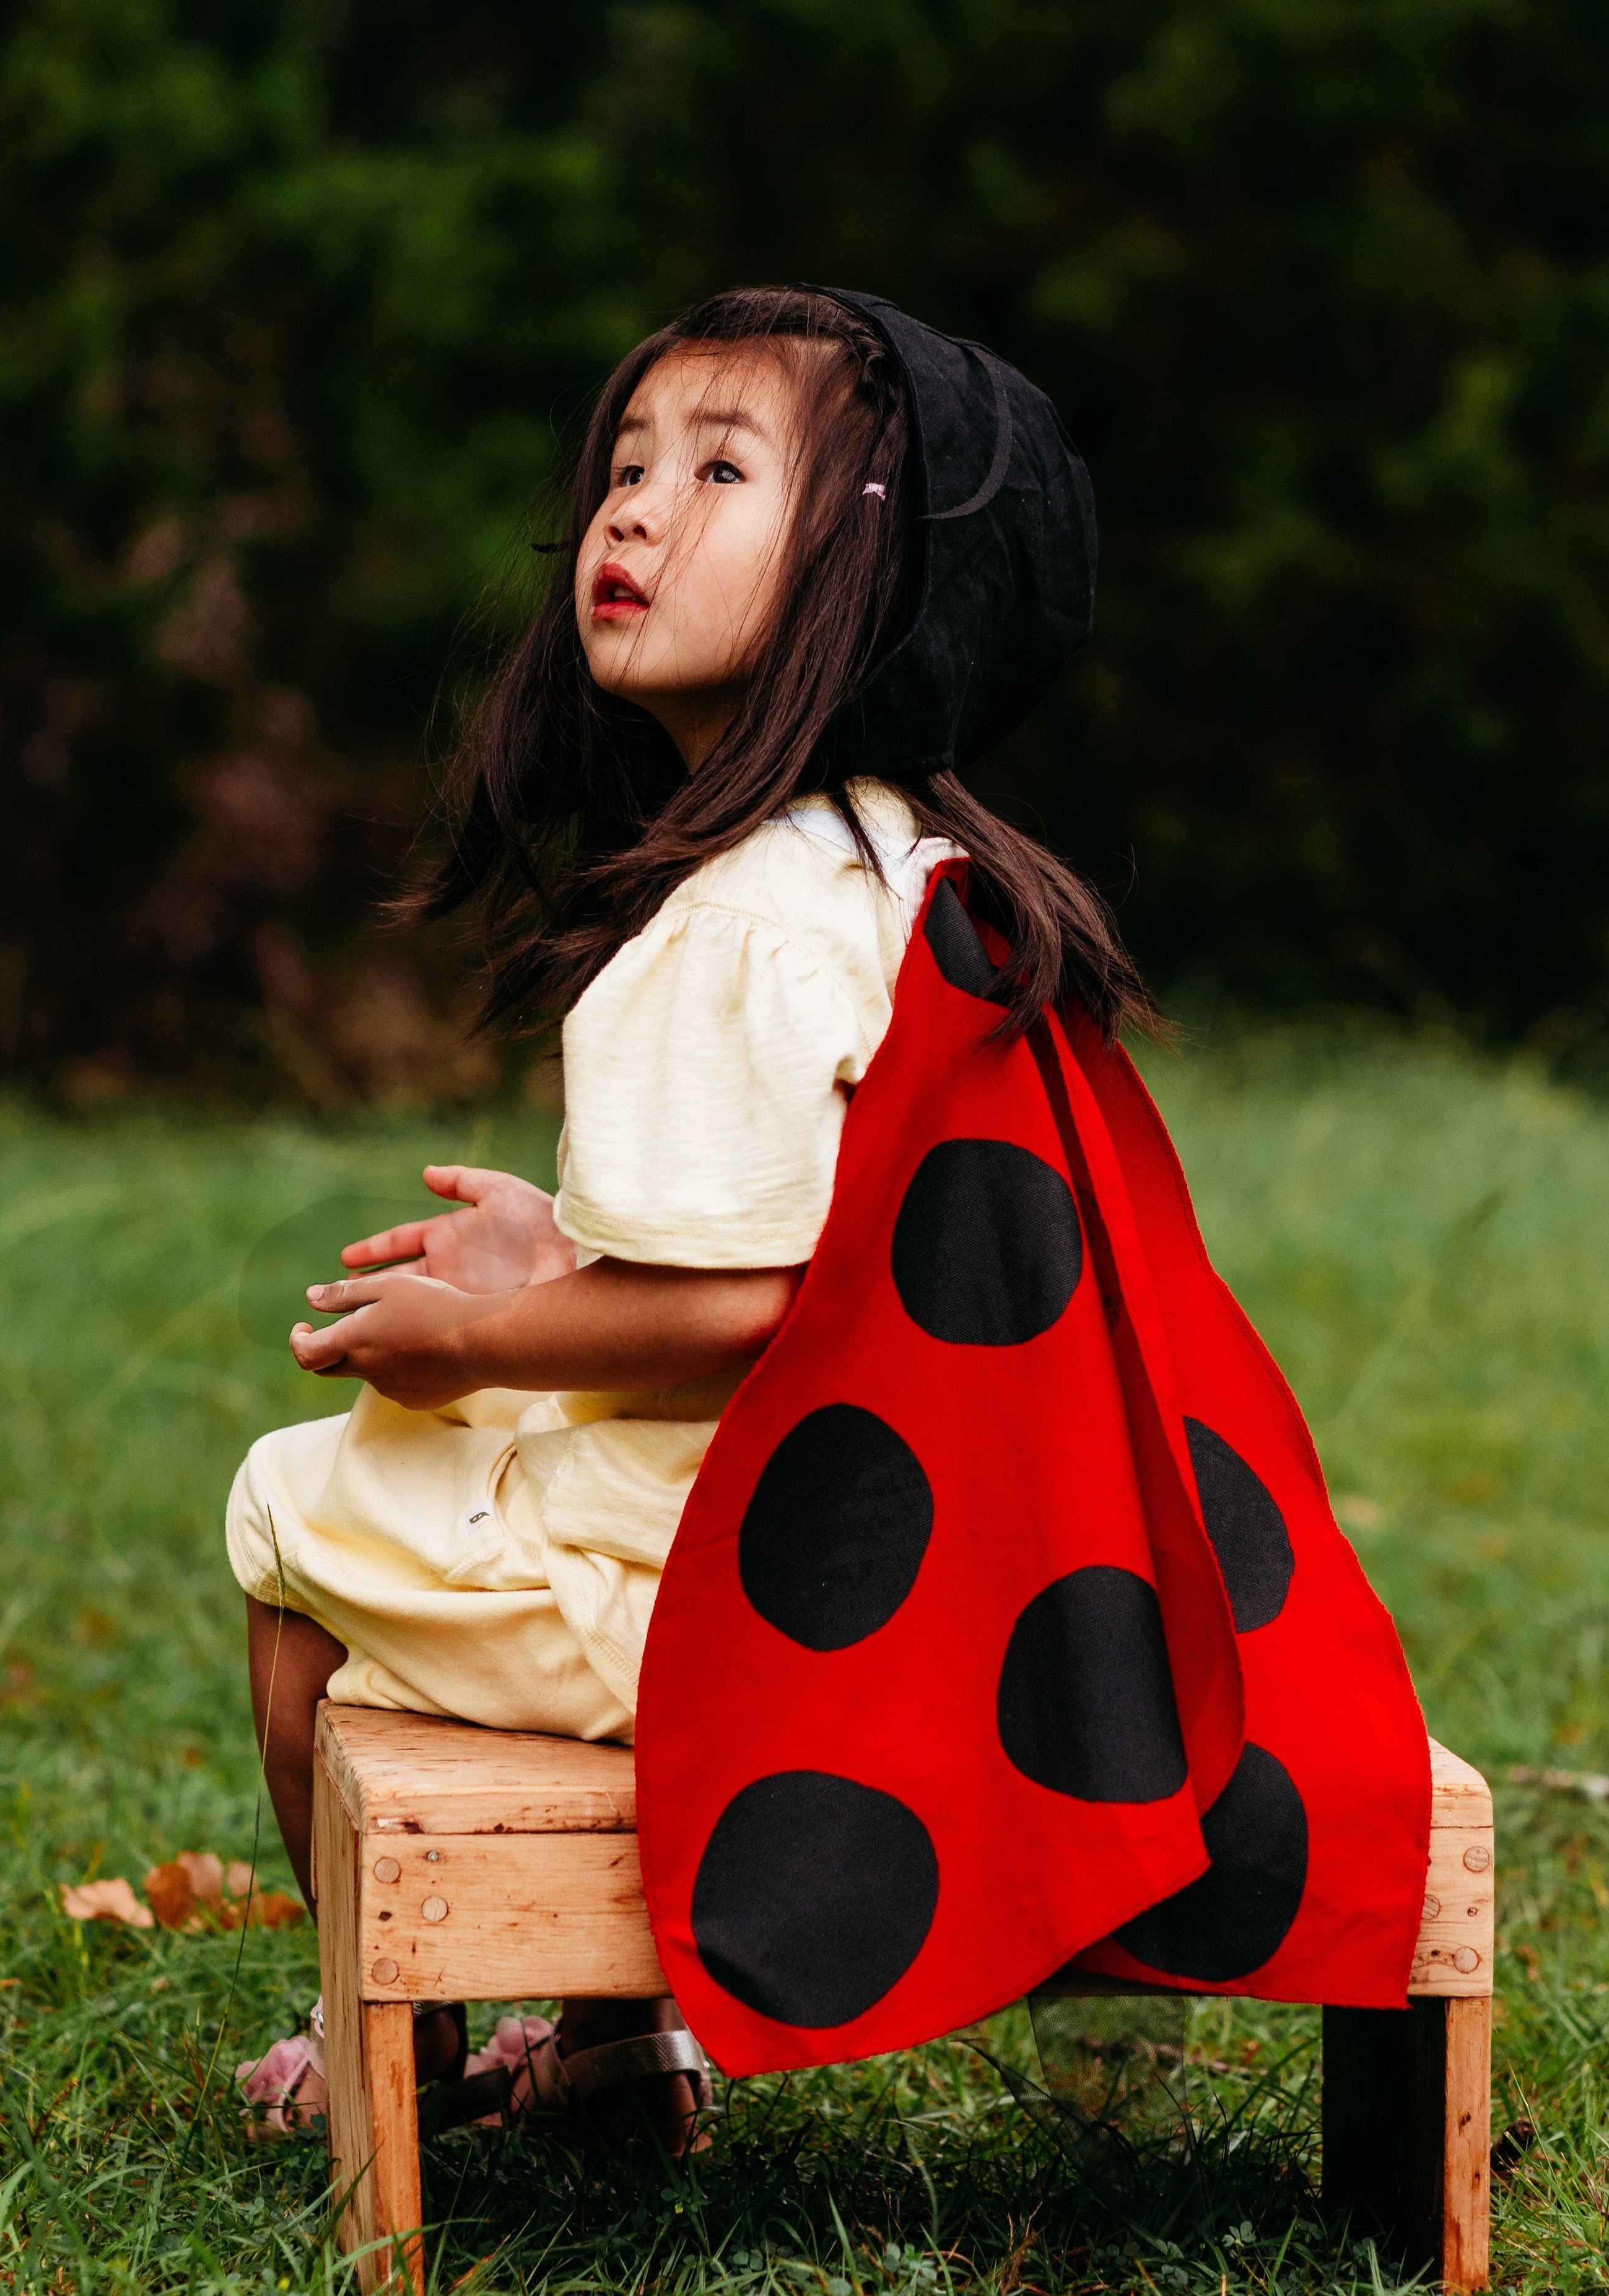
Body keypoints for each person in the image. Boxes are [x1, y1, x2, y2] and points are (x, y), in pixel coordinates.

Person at [228, 286, 1151, 2142]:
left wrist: (480, 1333)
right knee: (479, 1429)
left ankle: (378, 2039)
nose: (629, 516)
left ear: (861, 586)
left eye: (719, 470)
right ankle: (615, 2044)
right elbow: (819, 1252)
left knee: (289, 1498)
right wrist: (557, 1268)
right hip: (890, 1523)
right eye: (627, 468)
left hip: (733, 1594)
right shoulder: (896, 865)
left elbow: (748, 1302)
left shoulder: (726, 922)